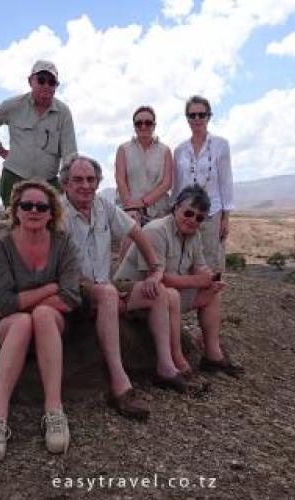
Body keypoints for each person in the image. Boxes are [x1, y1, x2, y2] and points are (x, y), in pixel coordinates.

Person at [60, 155, 198, 420]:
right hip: (74, 290)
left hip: (104, 286)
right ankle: (119, 384)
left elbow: (135, 231)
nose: (85, 185)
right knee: (108, 293)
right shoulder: (58, 214)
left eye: (91, 179)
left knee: (159, 293)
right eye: (78, 179)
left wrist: (155, 269)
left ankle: (165, 368)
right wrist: (106, 295)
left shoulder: (102, 206)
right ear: (66, 183)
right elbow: (62, 269)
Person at [0, 180, 81, 463]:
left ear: (51, 213)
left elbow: (71, 297)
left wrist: (28, 302)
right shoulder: (1, 247)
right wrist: (49, 288)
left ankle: (54, 410)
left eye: (41, 206)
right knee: (22, 321)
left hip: (52, 322)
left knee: (41, 315)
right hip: (9, 325)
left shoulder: (63, 244)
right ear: (16, 211)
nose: (33, 210)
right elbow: (5, 304)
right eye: (26, 205)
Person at [115, 184, 244, 378]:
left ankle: (212, 354)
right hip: (136, 295)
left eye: (199, 218)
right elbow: (157, 278)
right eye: (189, 213)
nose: (193, 220)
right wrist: (197, 281)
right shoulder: (156, 231)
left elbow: (199, 267)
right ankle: (176, 360)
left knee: (212, 294)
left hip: (166, 296)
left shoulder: (194, 235)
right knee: (171, 294)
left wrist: (208, 279)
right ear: (176, 208)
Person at [0, 60, 77, 206]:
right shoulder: (14, 105)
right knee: (14, 220)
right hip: (14, 180)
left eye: (51, 82)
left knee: (53, 220)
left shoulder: (63, 113)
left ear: (56, 86)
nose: (46, 85)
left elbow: (70, 153)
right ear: (30, 81)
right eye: (41, 80)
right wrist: (0, 150)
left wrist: (70, 182)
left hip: (48, 183)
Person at [172, 95, 234, 272]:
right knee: (185, 260)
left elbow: (226, 181)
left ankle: (211, 291)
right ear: (187, 118)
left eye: (201, 114)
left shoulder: (221, 145)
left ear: (209, 116)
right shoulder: (180, 150)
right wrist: (174, 211)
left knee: (211, 262)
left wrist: (225, 218)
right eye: (192, 115)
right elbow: (177, 185)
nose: (197, 119)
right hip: (185, 214)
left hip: (212, 212)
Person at [115, 106, 173, 261]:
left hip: (158, 209)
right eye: (139, 123)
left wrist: (143, 202)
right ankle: (123, 272)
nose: (143, 126)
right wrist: (131, 206)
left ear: (154, 125)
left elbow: (167, 182)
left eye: (148, 122)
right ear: (134, 126)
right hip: (130, 208)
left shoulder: (165, 151)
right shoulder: (123, 149)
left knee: (157, 250)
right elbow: (120, 179)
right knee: (129, 236)